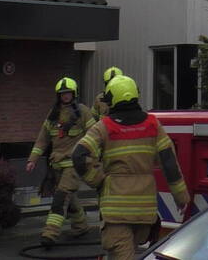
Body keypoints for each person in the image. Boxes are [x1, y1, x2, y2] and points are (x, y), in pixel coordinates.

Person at [73, 75, 189, 260]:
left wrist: (99, 180)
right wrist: (181, 197)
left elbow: (79, 155)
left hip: (115, 213)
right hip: (144, 212)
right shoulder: (153, 125)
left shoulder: (105, 127)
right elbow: (169, 163)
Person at [27, 77, 93, 246]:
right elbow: (43, 139)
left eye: (68, 93)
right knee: (69, 199)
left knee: (60, 197)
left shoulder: (83, 112)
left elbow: (93, 135)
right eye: (63, 94)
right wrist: (32, 160)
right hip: (56, 165)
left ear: (74, 94)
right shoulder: (53, 114)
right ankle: (81, 226)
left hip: (74, 164)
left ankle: (50, 234)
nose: (66, 96)